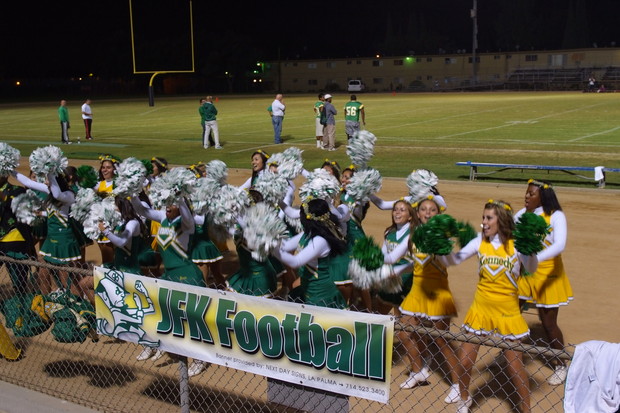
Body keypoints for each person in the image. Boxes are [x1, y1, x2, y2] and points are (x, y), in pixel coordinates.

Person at [439, 200, 538, 413]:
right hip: (480, 309)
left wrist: (531, 249)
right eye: (483, 217)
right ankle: (464, 399)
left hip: (507, 312)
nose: (484, 222)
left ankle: (526, 409)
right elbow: (454, 260)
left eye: (489, 218)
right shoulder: (479, 241)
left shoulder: (517, 244)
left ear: (501, 220)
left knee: (515, 367)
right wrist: (439, 249)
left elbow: (531, 267)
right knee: (465, 361)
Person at [382, 197, 460, 404]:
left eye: (432, 210)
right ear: (418, 214)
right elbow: (397, 259)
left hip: (437, 292)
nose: (427, 213)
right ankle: (418, 371)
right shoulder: (414, 235)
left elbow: (448, 260)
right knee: (404, 332)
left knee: (442, 341)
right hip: (416, 291)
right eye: (424, 210)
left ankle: (458, 384)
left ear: (438, 214)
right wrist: (376, 262)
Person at [515, 179, 573, 386]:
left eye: (531, 194)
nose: (526, 196)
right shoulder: (522, 214)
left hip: (548, 275)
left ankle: (561, 364)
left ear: (543, 196)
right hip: (525, 273)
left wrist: (535, 259)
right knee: (510, 315)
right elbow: (509, 236)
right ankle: (510, 355)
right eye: (526, 192)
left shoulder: (556, 216)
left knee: (548, 323)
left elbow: (559, 245)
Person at [274, 198, 348, 309]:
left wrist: (270, 247)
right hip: (308, 288)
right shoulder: (308, 233)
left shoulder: (320, 241)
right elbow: (286, 246)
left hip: (320, 294)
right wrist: (269, 236)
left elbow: (296, 262)